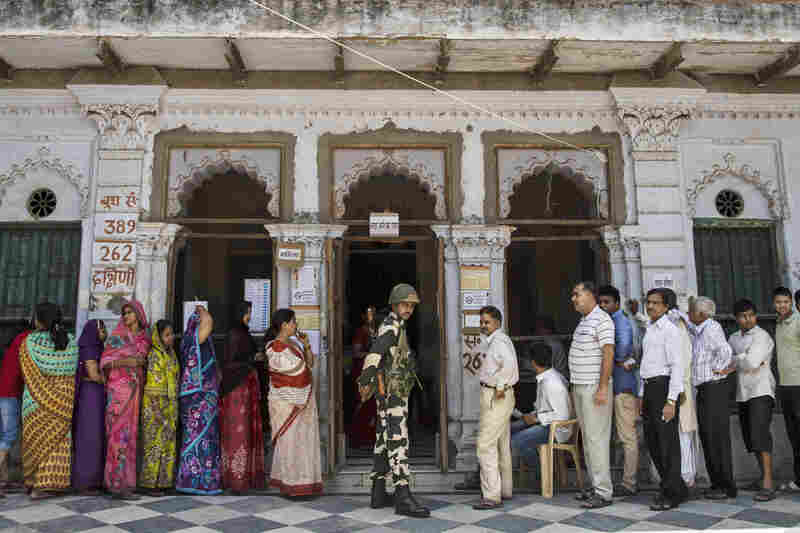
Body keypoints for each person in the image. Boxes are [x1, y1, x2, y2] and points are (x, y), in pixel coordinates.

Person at [358, 284, 429, 517]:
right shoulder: (391, 327)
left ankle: (378, 493)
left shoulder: (396, 324)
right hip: (392, 394)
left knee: (382, 440)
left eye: (411, 305)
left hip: (391, 392)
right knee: (398, 441)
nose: (408, 309)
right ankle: (403, 496)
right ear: (395, 305)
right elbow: (376, 352)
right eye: (404, 305)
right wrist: (365, 380)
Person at [19, 302, 79, 499]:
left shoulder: (29, 342)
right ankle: (53, 484)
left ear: (40, 320)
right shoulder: (70, 341)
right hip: (62, 402)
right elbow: (70, 374)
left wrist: (44, 393)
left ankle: (35, 484)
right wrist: (59, 396)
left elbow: (29, 374)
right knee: (58, 442)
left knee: (36, 441)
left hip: (35, 401)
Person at [265, 308, 322, 497]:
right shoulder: (275, 348)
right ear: (284, 325)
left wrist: (306, 345)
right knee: (290, 443)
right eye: (294, 322)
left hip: (302, 402)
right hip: (288, 403)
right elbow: (298, 372)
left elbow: (309, 364)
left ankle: (306, 484)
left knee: (304, 442)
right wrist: (305, 368)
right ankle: (291, 486)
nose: (296, 325)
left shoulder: (294, 344)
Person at [640, 288, 687, 511]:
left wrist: (671, 401)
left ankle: (672, 494)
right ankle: (673, 485)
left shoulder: (670, 330)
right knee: (653, 441)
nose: (650, 306)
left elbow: (677, 366)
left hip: (663, 388)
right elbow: (647, 363)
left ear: (666, 306)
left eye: (656, 303)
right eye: (649, 302)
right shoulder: (650, 328)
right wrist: (642, 394)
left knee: (667, 443)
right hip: (650, 389)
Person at [569, 281, 614, 508]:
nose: (574, 298)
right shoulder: (584, 320)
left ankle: (603, 492)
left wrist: (603, 387)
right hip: (581, 386)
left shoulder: (602, 320)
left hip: (594, 387)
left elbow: (608, 354)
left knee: (596, 439)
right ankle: (594, 485)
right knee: (587, 440)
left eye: (577, 294)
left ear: (590, 295)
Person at [101, 300, 150, 500]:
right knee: (117, 437)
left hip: (135, 391)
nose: (127, 316)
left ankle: (127, 483)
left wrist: (137, 363)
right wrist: (127, 361)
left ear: (139, 315)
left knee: (130, 437)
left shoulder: (145, 339)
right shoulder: (117, 337)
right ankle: (115, 483)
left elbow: (145, 362)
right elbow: (105, 361)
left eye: (131, 312)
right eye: (125, 313)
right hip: (118, 393)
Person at [688, 296, 737, 500]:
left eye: (691, 311)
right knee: (708, 437)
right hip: (706, 390)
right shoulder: (700, 330)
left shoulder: (712, 328)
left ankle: (726, 486)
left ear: (701, 314)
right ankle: (717, 483)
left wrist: (718, 370)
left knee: (716, 438)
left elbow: (725, 351)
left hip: (714, 389)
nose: (689, 314)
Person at [729, 299, 776, 501]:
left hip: (761, 390)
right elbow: (730, 360)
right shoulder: (733, 338)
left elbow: (751, 362)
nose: (747, 319)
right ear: (736, 318)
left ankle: (768, 483)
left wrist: (740, 359)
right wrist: (743, 358)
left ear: (755, 316)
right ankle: (761, 476)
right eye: (743, 316)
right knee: (751, 437)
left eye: (751, 315)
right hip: (743, 393)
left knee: (760, 435)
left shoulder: (762, 336)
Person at [473, 306, 519, 510]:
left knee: (485, 444)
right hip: (496, 394)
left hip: (496, 395)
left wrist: (500, 386)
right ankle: (505, 489)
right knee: (501, 442)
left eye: (487, 322)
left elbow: (509, 366)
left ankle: (492, 496)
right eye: (482, 322)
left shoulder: (499, 341)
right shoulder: (497, 340)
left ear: (498, 322)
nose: (483, 325)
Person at [176, 306, 222, 495]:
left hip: (205, 398)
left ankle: (206, 481)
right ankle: (192, 481)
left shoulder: (199, 343)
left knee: (207, 438)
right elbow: (208, 324)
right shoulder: (192, 340)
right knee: (197, 437)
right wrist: (203, 310)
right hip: (197, 399)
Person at [221, 302, 266, 494]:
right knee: (237, 435)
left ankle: (245, 478)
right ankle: (235, 480)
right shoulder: (234, 335)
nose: (249, 316)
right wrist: (251, 361)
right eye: (247, 313)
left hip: (245, 391)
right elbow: (231, 363)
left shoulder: (243, 334)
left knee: (245, 433)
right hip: (235, 391)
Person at [598, 285, 638, 497]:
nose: (603, 306)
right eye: (601, 302)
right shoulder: (612, 320)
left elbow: (622, 349)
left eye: (607, 302)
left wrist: (616, 359)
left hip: (623, 385)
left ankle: (629, 482)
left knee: (627, 436)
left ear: (616, 302)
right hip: (617, 383)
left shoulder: (619, 320)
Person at [510, 343, 572, 473]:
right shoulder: (545, 378)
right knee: (507, 430)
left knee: (517, 441)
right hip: (546, 423)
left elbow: (562, 415)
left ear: (533, 362)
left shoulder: (552, 383)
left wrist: (536, 418)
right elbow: (544, 408)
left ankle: (542, 476)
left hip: (556, 430)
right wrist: (531, 416)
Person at [662, 290, 700, 499]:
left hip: (679, 387)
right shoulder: (672, 323)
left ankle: (686, 479)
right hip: (675, 387)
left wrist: (679, 391)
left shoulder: (676, 325)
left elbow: (682, 360)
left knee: (683, 435)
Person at [139, 319, 180, 496]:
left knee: (168, 444)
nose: (171, 338)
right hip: (155, 406)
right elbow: (154, 384)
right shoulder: (154, 354)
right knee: (154, 443)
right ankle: (149, 484)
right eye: (167, 335)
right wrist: (158, 410)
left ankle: (164, 482)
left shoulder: (171, 354)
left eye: (171, 334)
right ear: (158, 337)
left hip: (169, 406)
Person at [72, 319, 107, 495]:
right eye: (102, 330)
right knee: (90, 436)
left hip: (95, 395)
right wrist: (110, 382)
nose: (104, 333)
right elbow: (93, 374)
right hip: (91, 395)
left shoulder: (96, 347)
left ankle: (93, 480)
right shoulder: (90, 349)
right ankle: (86, 481)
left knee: (95, 435)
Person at [0, 319, 31, 496]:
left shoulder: (14, 343)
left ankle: (4, 480)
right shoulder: (26, 339)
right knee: (9, 436)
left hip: (6, 392)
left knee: (5, 435)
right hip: (10, 394)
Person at [774, 287, 800, 492]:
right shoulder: (779, 323)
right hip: (786, 386)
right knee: (794, 435)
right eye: (778, 302)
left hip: (799, 386)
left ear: (791, 302)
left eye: (785, 302)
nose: (782, 306)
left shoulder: (798, 321)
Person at [349, 306, 378, 449]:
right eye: (368, 314)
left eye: (373, 313)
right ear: (363, 317)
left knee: (375, 406)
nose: (371, 317)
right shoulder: (361, 332)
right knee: (361, 404)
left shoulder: (378, 331)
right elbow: (356, 353)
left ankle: (372, 439)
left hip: (376, 373)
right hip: (363, 373)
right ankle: (357, 438)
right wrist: (372, 355)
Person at [535, 316, 568, 381]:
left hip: (557, 377)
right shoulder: (548, 341)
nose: (537, 330)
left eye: (539, 327)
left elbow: (546, 367)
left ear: (546, 329)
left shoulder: (553, 344)